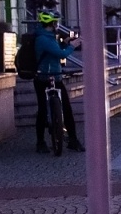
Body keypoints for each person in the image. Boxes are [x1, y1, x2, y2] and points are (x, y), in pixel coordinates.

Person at [32, 11, 83, 153]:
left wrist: (64, 44)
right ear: (52, 23)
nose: (57, 25)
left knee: (66, 108)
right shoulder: (43, 38)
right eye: (56, 22)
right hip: (44, 77)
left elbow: (54, 52)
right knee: (43, 110)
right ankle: (41, 142)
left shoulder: (47, 36)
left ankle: (72, 140)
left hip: (54, 76)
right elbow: (61, 54)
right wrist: (73, 45)